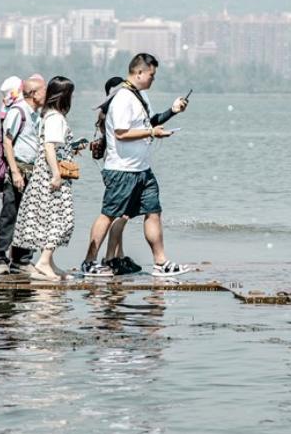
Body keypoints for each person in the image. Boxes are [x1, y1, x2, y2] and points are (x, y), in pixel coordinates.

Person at [80, 54, 189, 278]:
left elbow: (150, 122)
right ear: (139, 72)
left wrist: (173, 111)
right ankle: (89, 261)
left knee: (154, 212)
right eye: (151, 75)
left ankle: (161, 263)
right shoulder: (122, 98)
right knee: (108, 215)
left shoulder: (141, 96)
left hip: (142, 169)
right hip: (121, 169)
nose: (153, 79)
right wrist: (151, 132)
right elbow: (121, 133)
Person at [15, 76, 77, 283]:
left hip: (44, 174)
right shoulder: (55, 118)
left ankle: (49, 262)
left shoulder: (48, 115)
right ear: (64, 96)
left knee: (48, 219)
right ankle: (43, 261)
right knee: (63, 220)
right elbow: (50, 147)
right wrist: (56, 175)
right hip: (51, 176)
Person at [0, 73, 44, 276]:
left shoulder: (37, 113)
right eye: (43, 90)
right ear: (32, 93)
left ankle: (22, 260)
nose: (46, 94)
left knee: (30, 218)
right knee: (10, 215)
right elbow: (7, 142)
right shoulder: (19, 112)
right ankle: (1, 259)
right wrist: (14, 171)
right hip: (18, 170)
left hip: (34, 172)